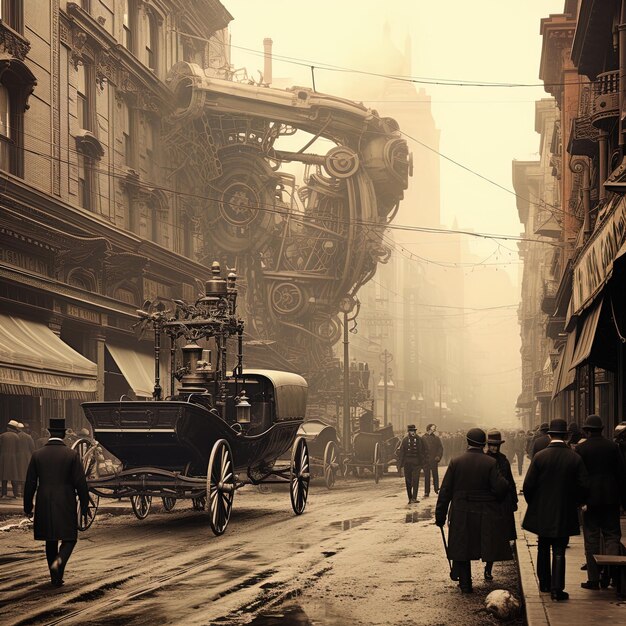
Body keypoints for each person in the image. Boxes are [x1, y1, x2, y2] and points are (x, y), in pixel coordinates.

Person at [435, 428, 511, 594]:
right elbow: (501, 488)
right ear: (484, 443)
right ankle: (486, 571)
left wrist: (440, 516)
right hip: (485, 511)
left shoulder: (456, 462)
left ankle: (465, 584)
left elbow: (445, 491)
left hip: (461, 510)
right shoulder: (490, 463)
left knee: (462, 545)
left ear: (467, 441)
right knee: (483, 543)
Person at [522, 418, 589, 601]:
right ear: (566, 436)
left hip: (543, 509)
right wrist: (576, 502)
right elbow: (584, 485)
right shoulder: (574, 457)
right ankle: (557, 589)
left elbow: (528, 486)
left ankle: (544, 583)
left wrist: (535, 503)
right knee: (559, 549)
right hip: (565, 510)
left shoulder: (540, 457)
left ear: (550, 435)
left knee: (543, 546)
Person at [23, 417, 90, 587]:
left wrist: (28, 506)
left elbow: (30, 483)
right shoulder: (72, 455)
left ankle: (55, 576)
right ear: (63, 435)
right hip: (65, 500)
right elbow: (80, 483)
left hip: (44, 500)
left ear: (49, 433)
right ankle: (57, 566)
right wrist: (84, 505)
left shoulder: (37, 455)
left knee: (50, 540)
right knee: (69, 539)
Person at [576, 414, 626, 590]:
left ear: (587, 431)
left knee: (591, 539)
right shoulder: (613, 447)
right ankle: (612, 575)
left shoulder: (581, 449)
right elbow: (621, 475)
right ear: (601, 430)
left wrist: (580, 500)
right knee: (612, 535)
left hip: (590, 501)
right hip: (611, 499)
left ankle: (594, 579)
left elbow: (579, 478)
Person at [483, 429, 518, 582]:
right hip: (490, 502)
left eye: (496, 445)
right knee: (490, 537)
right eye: (492, 445)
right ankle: (488, 568)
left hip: (504, 502)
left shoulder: (504, 459)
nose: (494, 448)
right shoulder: (484, 460)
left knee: (504, 534)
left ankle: (505, 561)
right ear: (488, 445)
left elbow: (510, 480)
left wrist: (514, 500)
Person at [396, 424, 426, 504]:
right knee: (408, 481)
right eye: (411, 431)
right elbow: (401, 453)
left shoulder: (419, 439)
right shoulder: (404, 440)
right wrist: (400, 465)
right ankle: (410, 498)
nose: (412, 432)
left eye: (413, 431)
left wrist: (423, 463)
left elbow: (423, 451)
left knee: (416, 480)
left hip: (417, 464)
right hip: (407, 464)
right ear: (408, 432)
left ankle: (414, 498)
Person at [0, 420, 21, 498]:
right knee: (14, 476)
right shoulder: (16, 437)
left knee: (3, 477)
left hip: (3, 458)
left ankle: (4, 494)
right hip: (13, 458)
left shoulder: (2, 436)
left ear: (8, 428)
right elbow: (18, 449)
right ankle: (15, 493)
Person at [422, 423, 443, 497]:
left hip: (434, 459)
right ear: (429, 428)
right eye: (433, 427)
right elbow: (421, 450)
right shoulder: (423, 438)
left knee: (435, 475)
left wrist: (438, 456)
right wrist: (423, 459)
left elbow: (440, 448)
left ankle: (436, 488)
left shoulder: (436, 438)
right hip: (426, 460)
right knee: (427, 476)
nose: (435, 428)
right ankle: (426, 491)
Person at [16, 422, 35, 496]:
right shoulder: (28, 437)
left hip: (18, 457)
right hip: (27, 457)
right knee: (25, 474)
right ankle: (24, 491)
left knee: (18, 474)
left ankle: (18, 491)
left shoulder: (16, 436)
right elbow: (32, 448)